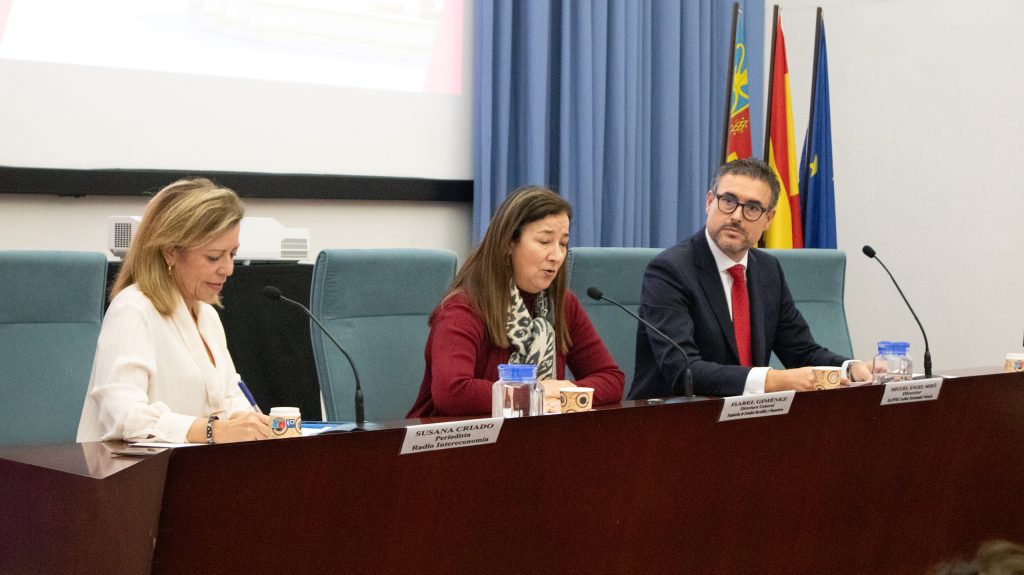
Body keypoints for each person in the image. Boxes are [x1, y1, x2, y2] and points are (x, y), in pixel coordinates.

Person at [629, 158, 872, 399]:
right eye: (728, 201)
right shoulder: (670, 270)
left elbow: (801, 351)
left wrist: (850, 369)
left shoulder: (767, 270)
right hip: (673, 415)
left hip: (748, 415)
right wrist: (773, 380)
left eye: (753, 208)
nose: (736, 216)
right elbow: (684, 371)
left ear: (769, 219)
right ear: (709, 202)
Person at [77, 178, 271, 443]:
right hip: (135, 469)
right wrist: (213, 431)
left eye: (232, 254)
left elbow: (228, 396)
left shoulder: (207, 316)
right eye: (214, 257)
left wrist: (247, 421)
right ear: (170, 251)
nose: (228, 269)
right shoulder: (133, 309)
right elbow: (124, 416)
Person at [408, 185, 624, 417]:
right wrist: (538, 392)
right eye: (544, 241)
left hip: (534, 434)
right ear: (508, 243)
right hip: (455, 437)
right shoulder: (464, 307)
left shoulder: (562, 304)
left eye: (562, 243)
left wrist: (563, 395)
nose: (556, 255)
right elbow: (453, 393)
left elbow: (611, 378)